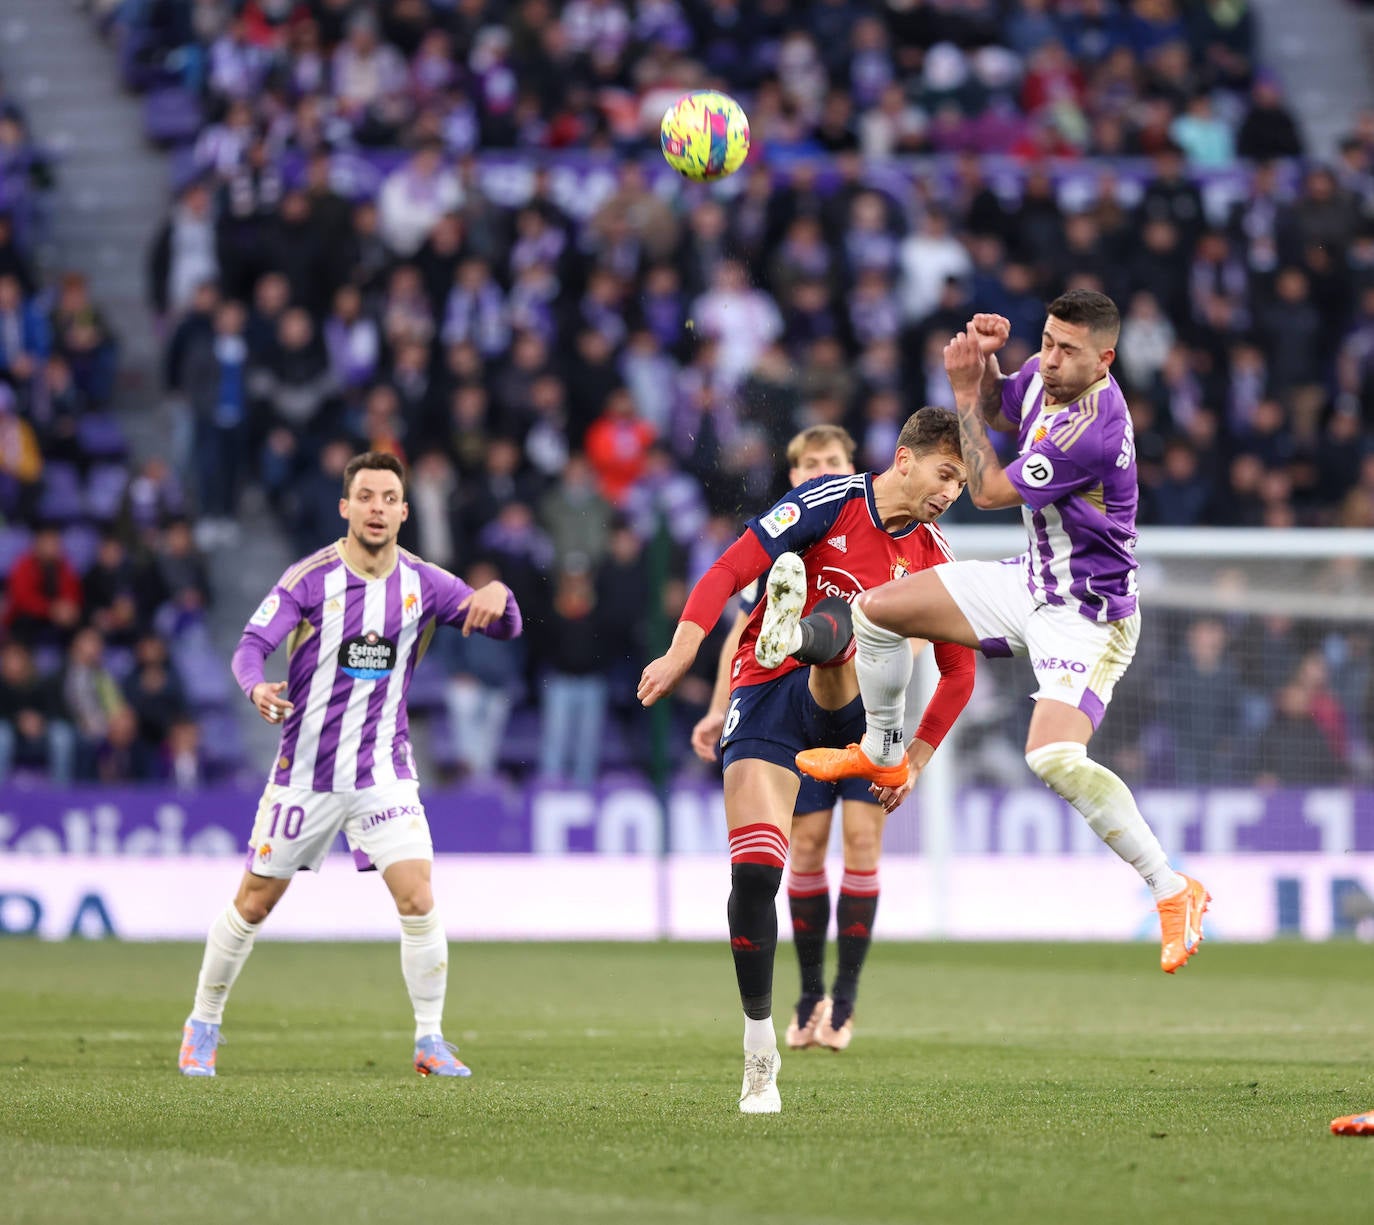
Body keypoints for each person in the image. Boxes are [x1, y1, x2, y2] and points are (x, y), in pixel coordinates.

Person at [797, 293, 1211, 977]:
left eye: (1066, 350)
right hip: (1031, 581)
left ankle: (1173, 887)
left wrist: (959, 389)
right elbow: (996, 406)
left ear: (1105, 359)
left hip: (1088, 615)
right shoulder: (1049, 381)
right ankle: (882, 750)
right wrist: (984, 367)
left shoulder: (1095, 429)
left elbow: (986, 488)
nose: (1047, 359)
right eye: (1045, 341)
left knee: (1051, 758)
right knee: (874, 610)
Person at [639, 408, 976, 1113]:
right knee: (757, 871)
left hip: (854, 707)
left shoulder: (936, 556)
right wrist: (683, 650)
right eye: (946, 475)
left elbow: (960, 673)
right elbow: (731, 566)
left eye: (963, 482)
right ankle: (760, 1050)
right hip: (766, 694)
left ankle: (808, 639)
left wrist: (914, 758)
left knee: (859, 632)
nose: (952, 492)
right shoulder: (830, 498)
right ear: (906, 460)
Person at [177, 451, 522, 1079]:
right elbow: (251, 645)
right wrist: (256, 687)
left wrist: (500, 594)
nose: (377, 508)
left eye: (389, 498)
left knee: (418, 897)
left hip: (381, 773)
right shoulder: (310, 579)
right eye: (365, 496)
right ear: (345, 507)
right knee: (253, 905)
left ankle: (429, 1040)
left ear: (404, 512)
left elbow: (500, 625)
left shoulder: (424, 583)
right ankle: (203, 1022)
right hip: (305, 775)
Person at [688, 423, 936, 1055]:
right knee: (802, 850)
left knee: (859, 841)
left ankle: (843, 1003)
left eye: (832, 461)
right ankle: (808, 997)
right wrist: (720, 709)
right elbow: (741, 634)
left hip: (867, 708)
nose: (820, 471)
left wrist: (911, 740)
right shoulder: (792, 541)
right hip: (788, 701)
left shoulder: (899, 534)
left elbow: (918, 634)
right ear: (795, 476)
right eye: (809, 465)